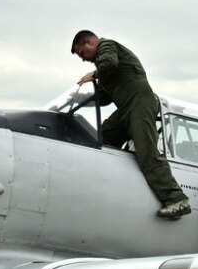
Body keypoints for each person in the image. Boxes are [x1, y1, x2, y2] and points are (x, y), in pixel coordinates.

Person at [71, 30, 191, 220]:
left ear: (88, 42)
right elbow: (105, 98)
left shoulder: (107, 47)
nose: (83, 60)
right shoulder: (102, 65)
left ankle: (176, 199)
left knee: (147, 151)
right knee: (103, 137)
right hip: (126, 108)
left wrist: (94, 74)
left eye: (81, 54)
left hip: (139, 103)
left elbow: (109, 64)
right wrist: (81, 98)